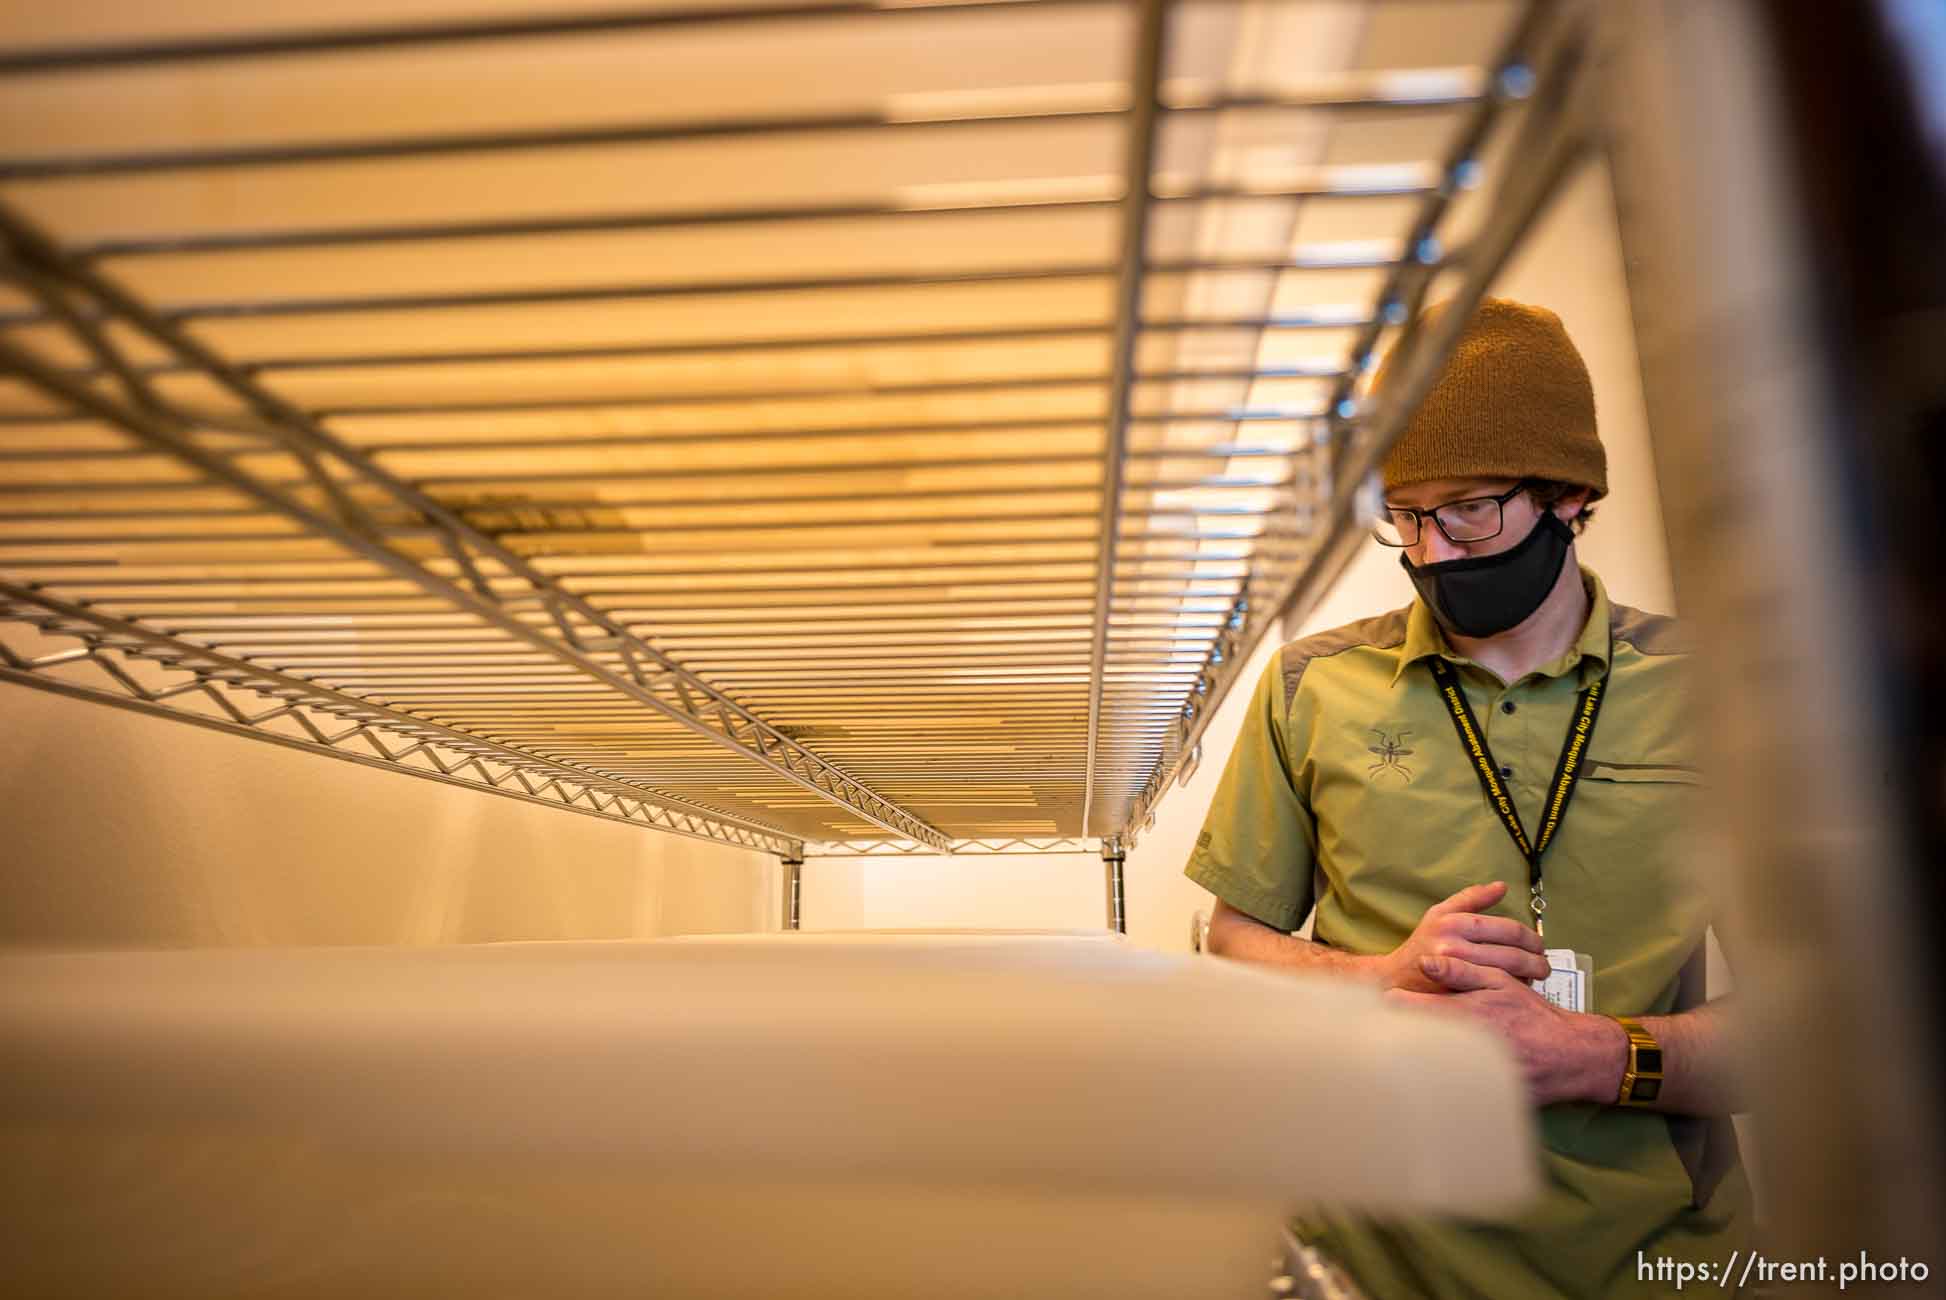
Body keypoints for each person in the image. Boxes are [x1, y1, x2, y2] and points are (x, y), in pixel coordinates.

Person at [1185, 298, 1751, 1298]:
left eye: (1468, 510)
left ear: (1568, 494)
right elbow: (1229, 944)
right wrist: (1381, 976)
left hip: (1665, 1268)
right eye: (1402, 515)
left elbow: (1817, 1025)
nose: (1430, 552)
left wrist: (1597, 1056)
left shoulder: (1715, 691)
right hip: (1369, 1266)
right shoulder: (1308, 685)